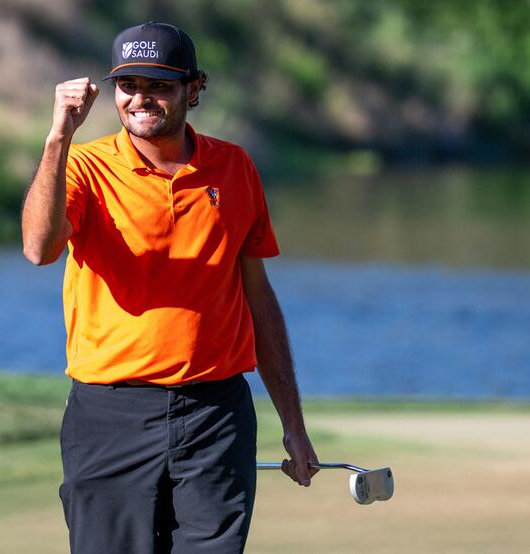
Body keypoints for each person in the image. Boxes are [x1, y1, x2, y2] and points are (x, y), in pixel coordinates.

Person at [22, 21, 318, 553]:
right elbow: (38, 249)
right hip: (110, 414)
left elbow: (259, 299)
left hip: (216, 413)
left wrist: (293, 424)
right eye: (128, 84)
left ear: (194, 88)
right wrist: (58, 137)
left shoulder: (234, 167)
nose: (140, 98)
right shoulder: (84, 166)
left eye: (158, 85)